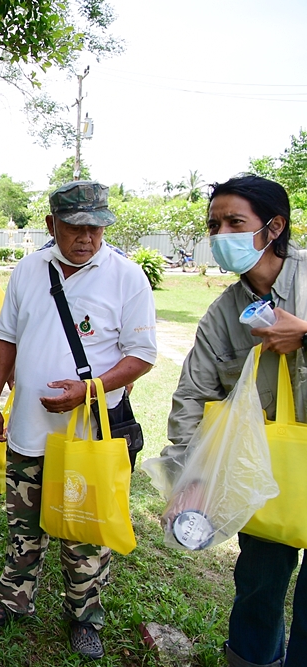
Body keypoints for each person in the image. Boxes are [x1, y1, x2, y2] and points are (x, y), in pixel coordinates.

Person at [0, 181, 157, 659]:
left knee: (85, 533)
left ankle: (84, 618)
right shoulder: (28, 272)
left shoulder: (126, 277)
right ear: (52, 224)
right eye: (75, 227)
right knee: (23, 523)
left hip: (90, 433)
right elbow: (8, 340)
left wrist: (88, 391)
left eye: (96, 228)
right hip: (29, 429)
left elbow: (142, 356)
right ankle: (14, 602)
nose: (86, 238)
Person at [164, 175, 307, 667]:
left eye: (234, 222)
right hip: (266, 477)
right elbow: (192, 395)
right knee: (259, 588)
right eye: (213, 224)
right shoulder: (224, 313)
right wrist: (191, 480)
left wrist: (306, 334)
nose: (221, 233)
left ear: (274, 227)